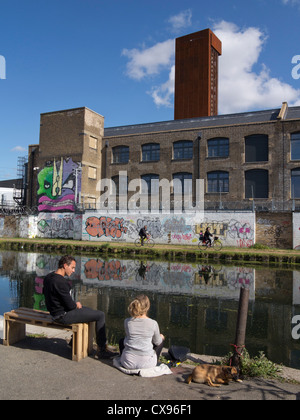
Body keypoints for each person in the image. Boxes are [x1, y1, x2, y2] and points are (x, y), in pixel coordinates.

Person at [43, 255, 116, 359]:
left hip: (55, 313)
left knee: (89, 312)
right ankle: (102, 350)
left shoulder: (49, 277)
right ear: (65, 266)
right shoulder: (61, 282)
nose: (73, 271)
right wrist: (76, 304)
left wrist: (75, 305)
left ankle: (74, 342)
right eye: (72, 268)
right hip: (62, 316)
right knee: (100, 315)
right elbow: (70, 306)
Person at [119, 294, 165, 370]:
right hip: (147, 365)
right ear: (148, 307)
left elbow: (128, 338)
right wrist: (162, 337)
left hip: (127, 363)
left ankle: (123, 356)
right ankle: (155, 361)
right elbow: (157, 342)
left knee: (122, 340)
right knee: (160, 340)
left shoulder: (127, 321)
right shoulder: (153, 323)